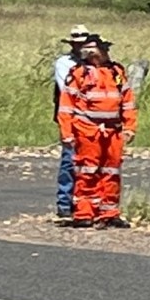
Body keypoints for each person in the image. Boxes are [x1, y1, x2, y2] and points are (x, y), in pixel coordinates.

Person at [59, 35, 135, 227]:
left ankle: (109, 213)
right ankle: (84, 213)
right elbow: (67, 106)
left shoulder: (116, 71)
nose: (103, 53)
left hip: (113, 130)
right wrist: (67, 133)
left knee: (111, 171)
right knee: (87, 170)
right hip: (87, 129)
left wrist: (129, 127)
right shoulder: (79, 73)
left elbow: (127, 100)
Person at [52, 25, 91, 220]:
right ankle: (65, 203)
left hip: (90, 118)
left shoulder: (95, 64)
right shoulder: (64, 63)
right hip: (71, 116)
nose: (81, 46)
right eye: (78, 43)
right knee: (70, 159)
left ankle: (83, 202)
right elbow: (67, 88)